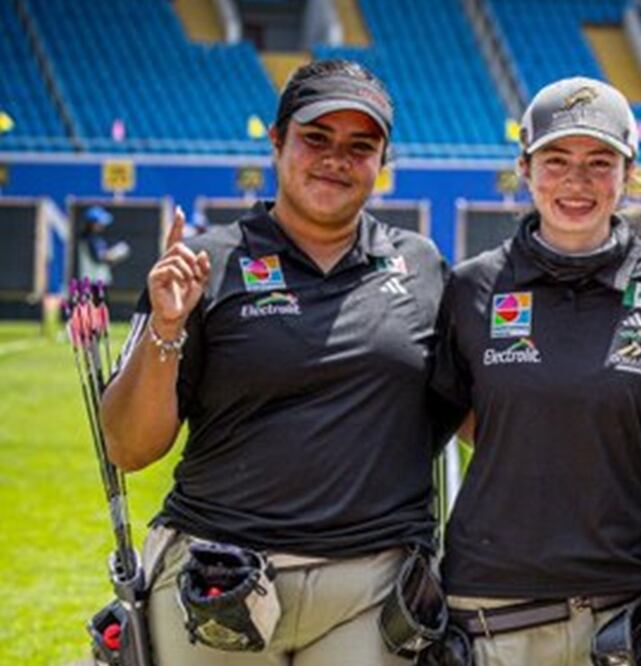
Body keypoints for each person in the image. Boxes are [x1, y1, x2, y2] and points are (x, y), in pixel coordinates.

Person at [100, 59, 447, 665]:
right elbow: (128, 447)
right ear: (278, 141)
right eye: (316, 138)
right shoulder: (202, 264)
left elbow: (476, 410)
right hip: (217, 576)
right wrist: (165, 327)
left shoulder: (421, 267)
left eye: (360, 147)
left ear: (382, 163)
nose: (336, 159)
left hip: (371, 586)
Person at [429, 77, 641, 665]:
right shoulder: (471, 286)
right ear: (525, 167)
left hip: (622, 603)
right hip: (491, 599)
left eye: (600, 162)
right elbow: (455, 415)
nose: (576, 182)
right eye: (556, 160)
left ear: (629, 173)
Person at [78, 205, 130, 285]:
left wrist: (116, 255)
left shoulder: (96, 238)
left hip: (97, 282)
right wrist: (117, 252)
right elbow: (99, 258)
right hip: (91, 282)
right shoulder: (89, 239)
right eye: (100, 222)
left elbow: (106, 261)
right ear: (92, 224)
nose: (102, 225)